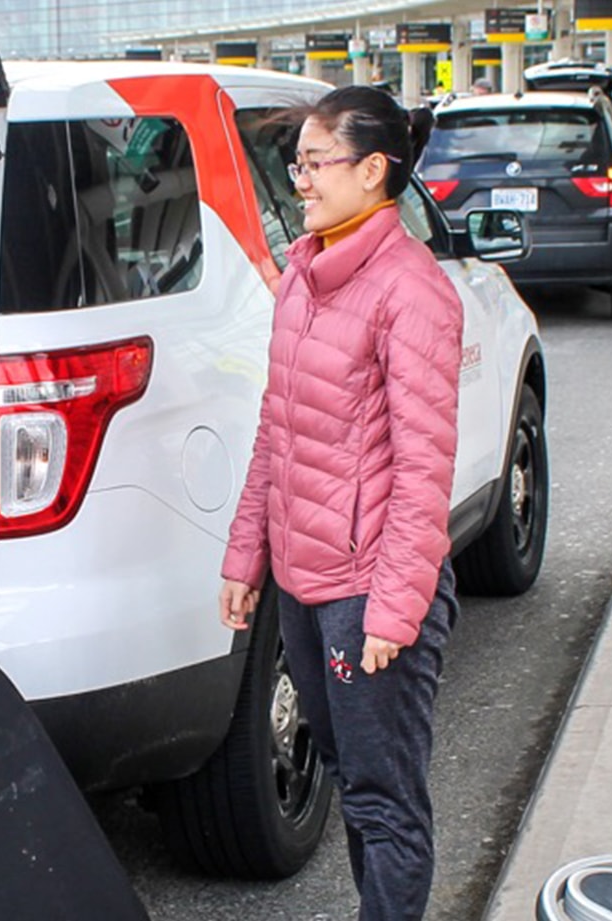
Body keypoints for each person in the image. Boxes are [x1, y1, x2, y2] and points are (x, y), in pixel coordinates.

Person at [218, 85, 462, 921]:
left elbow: (425, 468)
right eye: (300, 163)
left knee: (385, 800)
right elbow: (276, 432)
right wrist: (247, 556)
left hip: (371, 592)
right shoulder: (304, 277)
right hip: (306, 584)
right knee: (355, 786)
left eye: (315, 163)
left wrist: (395, 608)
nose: (302, 181)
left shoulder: (412, 291)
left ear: (373, 170)